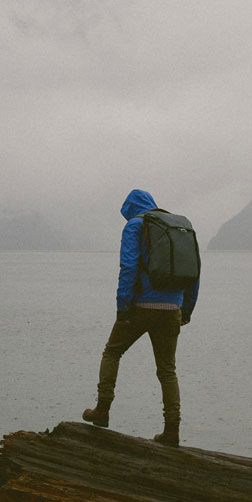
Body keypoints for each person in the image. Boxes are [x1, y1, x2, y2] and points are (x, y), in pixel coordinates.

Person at [82, 189, 199, 446]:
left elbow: (129, 267)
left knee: (112, 352)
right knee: (168, 370)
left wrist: (122, 307)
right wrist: (186, 310)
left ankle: (102, 411)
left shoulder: (136, 226)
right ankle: (172, 431)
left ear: (130, 208)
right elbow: (194, 271)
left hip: (140, 307)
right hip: (172, 309)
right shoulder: (179, 227)